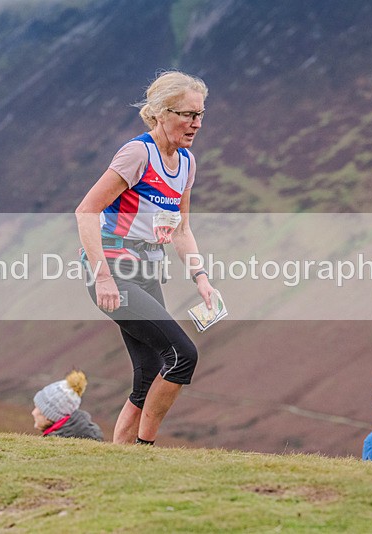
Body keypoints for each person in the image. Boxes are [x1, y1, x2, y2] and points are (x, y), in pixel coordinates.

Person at [75, 71, 215, 446]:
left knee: (151, 368)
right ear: (159, 113)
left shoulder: (186, 163)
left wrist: (201, 278)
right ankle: (146, 446)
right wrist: (102, 276)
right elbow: (86, 211)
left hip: (148, 268)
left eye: (200, 114)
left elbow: (182, 230)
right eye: (187, 114)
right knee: (182, 354)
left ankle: (122, 452)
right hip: (113, 268)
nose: (196, 123)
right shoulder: (138, 153)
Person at [32, 370, 104, 441]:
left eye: (38, 407)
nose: (33, 412)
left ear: (49, 416)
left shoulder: (57, 443)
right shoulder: (86, 436)